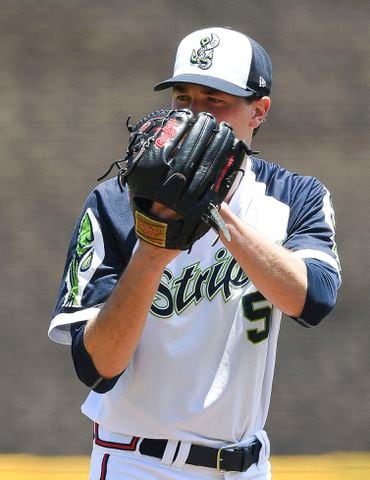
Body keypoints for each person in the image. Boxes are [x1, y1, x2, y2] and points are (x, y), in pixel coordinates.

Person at [48, 26, 341, 479]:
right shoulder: (117, 202)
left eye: (214, 100)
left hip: (247, 464)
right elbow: (96, 368)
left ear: (258, 112)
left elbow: (314, 299)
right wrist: (151, 248)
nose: (194, 115)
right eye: (183, 97)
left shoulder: (294, 197)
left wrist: (215, 212)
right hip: (137, 462)